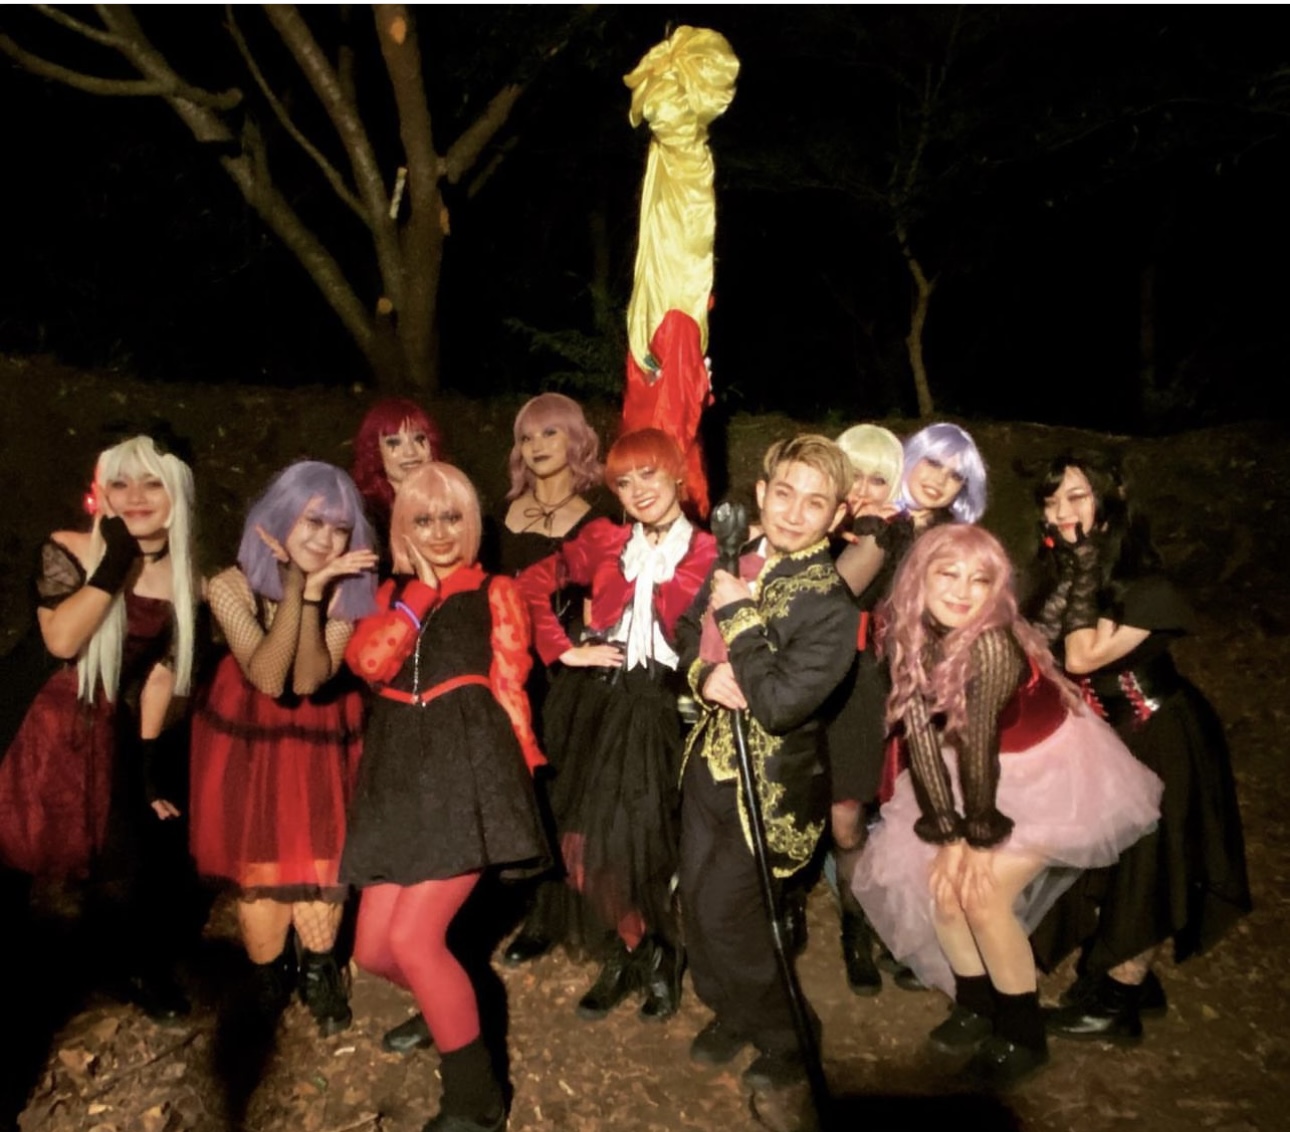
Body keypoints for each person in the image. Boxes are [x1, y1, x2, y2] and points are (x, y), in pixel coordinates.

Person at [851, 524, 1163, 1089]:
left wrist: (972, 842)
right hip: (971, 766)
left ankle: (1023, 1034)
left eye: (980, 579)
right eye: (949, 573)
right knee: (941, 887)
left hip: (1050, 775)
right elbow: (921, 737)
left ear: (997, 588)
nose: (963, 591)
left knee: (983, 895)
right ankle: (976, 1005)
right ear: (920, 577)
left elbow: (980, 751)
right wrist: (946, 837)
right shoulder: (908, 631)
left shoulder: (992, 644)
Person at [342, 462, 547, 1132]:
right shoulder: (388, 594)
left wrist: (521, 770)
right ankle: (448, 1011)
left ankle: (475, 1101)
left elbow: (511, 682)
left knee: (415, 938)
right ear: (402, 526)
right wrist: (420, 596)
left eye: (452, 517)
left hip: (466, 772)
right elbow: (370, 663)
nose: (438, 531)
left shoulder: (496, 590)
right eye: (422, 519)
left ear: (472, 523)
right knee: (374, 951)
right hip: (398, 776)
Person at [1026, 451, 1252, 1043]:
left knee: (1149, 864)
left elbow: (1081, 657)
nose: (1061, 512)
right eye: (1052, 500)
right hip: (1106, 737)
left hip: (1160, 733)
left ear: (1112, 499)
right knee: (1109, 859)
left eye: (1077, 496)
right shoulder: (1063, 574)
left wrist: (1079, 571)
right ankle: (1131, 982)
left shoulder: (1147, 585)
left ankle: (1120, 1002)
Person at [675, 434, 858, 1097]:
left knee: (733, 921)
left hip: (771, 792)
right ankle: (732, 1011)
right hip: (709, 767)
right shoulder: (739, 559)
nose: (794, 513)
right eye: (784, 494)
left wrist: (739, 615)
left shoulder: (832, 606)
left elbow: (779, 705)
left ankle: (789, 1038)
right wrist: (703, 676)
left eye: (815, 502)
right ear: (761, 493)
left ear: (837, 516)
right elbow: (683, 634)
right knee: (696, 906)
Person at [516, 428, 716, 1023]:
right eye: (624, 483)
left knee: (638, 846)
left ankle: (656, 953)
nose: (637, 490)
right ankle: (633, 949)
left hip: (661, 709)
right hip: (595, 704)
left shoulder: (712, 552)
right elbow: (529, 585)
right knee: (579, 842)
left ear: (677, 473)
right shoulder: (605, 541)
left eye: (648, 474)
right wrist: (564, 649)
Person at [0, 433, 199, 1019]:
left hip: (99, 725)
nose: (136, 496)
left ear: (177, 492)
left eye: (152, 483)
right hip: (28, 716)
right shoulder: (69, 548)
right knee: (10, 854)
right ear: (102, 493)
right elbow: (62, 640)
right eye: (121, 483)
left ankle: (133, 970)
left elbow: (159, 676)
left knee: (123, 856)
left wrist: (149, 770)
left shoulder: (187, 581)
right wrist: (114, 562)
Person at [189, 461, 377, 1035]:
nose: (325, 539)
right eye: (312, 522)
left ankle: (320, 969)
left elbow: (309, 680)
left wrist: (314, 596)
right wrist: (297, 585)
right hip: (251, 736)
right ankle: (269, 974)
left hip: (320, 730)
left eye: (339, 529)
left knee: (324, 849)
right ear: (279, 517)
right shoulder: (230, 585)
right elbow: (269, 678)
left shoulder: (347, 588)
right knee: (260, 855)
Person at [830, 421, 988, 992]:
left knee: (909, 820)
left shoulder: (956, 542)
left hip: (924, 695)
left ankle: (897, 929)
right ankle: (854, 928)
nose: (939, 480)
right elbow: (834, 594)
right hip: (857, 686)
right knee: (845, 816)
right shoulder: (873, 525)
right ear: (910, 459)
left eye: (955, 475)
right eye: (932, 463)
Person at [820, 424, 905, 997]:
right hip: (798, 682)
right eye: (855, 475)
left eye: (879, 479)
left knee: (846, 821)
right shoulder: (812, 522)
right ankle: (785, 917)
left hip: (856, 688)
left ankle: (857, 929)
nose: (865, 490)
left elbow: (830, 593)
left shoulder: (887, 534)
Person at [350, 397, 444, 538]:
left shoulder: (454, 501)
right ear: (375, 451)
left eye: (419, 439)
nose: (410, 452)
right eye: (394, 443)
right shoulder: (362, 515)